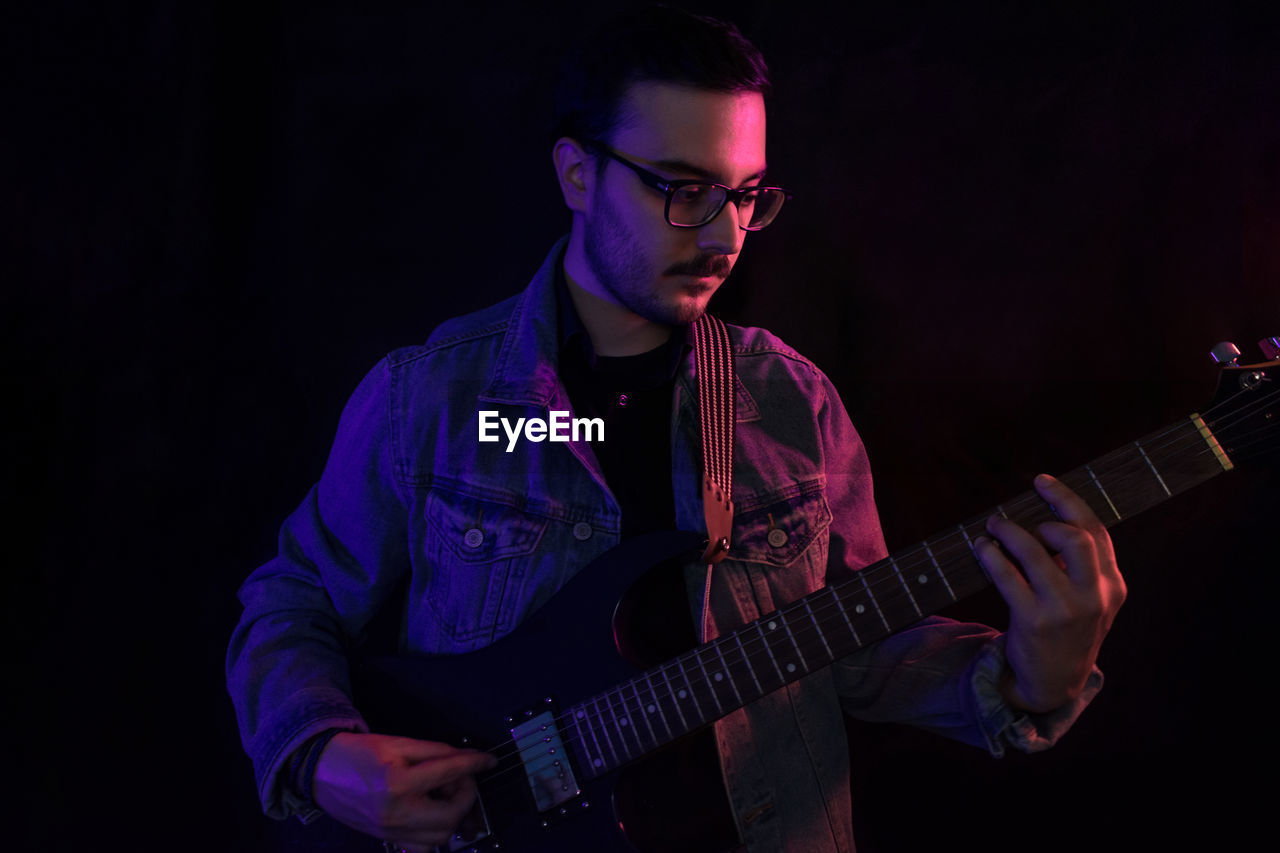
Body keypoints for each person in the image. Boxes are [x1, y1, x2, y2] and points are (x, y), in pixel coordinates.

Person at [227, 6, 1126, 852]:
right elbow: (292, 597)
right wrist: (319, 752)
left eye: (746, 196)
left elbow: (860, 650)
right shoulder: (431, 397)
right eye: (684, 190)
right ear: (577, 174)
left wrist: (1029, 676)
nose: (725, 235)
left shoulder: (793, 404)